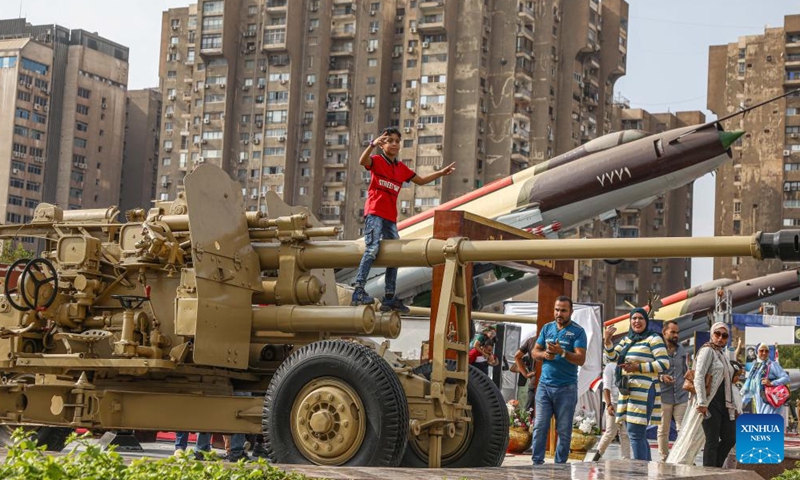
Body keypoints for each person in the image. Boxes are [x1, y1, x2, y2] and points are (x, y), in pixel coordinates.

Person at [350, 127, 456, 312]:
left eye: (397, 141)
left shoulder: (401, 169)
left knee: (396, 255)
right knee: (372, 248)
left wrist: (440, 173)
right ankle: (358, 290)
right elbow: (362, 161)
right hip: (375, 212)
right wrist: (371, 144)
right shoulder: (376, 161)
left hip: (390, 217)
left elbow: (421, 181)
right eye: (389, 140)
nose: (394, 144)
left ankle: (389, 297)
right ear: (382, 144)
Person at [667, 322, 737, 467]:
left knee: (730, 438)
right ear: (712, 334)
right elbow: (699, 376)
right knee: (711, 439)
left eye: (724, 335)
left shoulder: (722, 354)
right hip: (710, 402)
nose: (720, 338)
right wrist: (701, 402)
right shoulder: (707, 351)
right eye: (717, 334)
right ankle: (709, 471)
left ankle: (714, 468)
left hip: (725, 403)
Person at [603, 307, 669, 461]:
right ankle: (645, 469)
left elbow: (664, 363)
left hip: (644, 391)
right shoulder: (628, 339)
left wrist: (638, 367)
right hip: (629, 391)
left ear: (646, 321)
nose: (637, 321)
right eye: (634, 318)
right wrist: (607, 341)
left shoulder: (653, 339)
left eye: (641, 318)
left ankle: (640, 471)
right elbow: (613, 358)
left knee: (635, 432)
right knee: (637, 433)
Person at [530, 296, 587, 465]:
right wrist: (544, 355)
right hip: (544, 386)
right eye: (557, 309)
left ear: (571, 312)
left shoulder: (578, 331)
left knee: (563, 429)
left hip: (566, 388)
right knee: (540, 426)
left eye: (563, 310)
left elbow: (581, 359)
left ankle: (560, 465)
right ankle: (537, 463)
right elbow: (534, 352)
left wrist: (562, 352)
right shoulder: (547, 328)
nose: (559, 313)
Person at [656, 320, 689, 462]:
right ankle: (664, 458)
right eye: (673, 332)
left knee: (683, 430)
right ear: (664, 332)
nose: (676, 335)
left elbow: (684, 369)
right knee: (663, 430)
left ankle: (681, 456)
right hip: (664, 395)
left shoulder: (681, 349)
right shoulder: (657, 350)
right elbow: (650, 370)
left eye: (677, 332)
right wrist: (661, 377)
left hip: (681, 395)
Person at [594, 361, 631, 460]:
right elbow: (606, 387)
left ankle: (626, 459)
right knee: (610, 432)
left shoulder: (628, 364)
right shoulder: (610, 367)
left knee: (625, 433)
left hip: (627, 403)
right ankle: (597, 455)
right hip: (614, 403)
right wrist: (609, 404)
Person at [742, 342, 790, 414]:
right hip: (759, 402)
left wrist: (771, 383)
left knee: (769, 423)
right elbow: (750, 387)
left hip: (771, 403)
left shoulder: (772, 365)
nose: (764, 353)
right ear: (757, 352)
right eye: (761, 351)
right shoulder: (754, 367)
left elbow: (786, 378)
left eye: (766, 351)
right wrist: (743, 403)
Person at [514, 333, 538, 414]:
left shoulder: (531, 341)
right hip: (537, 381)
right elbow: (517, 357)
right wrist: (526, 374)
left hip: (534, 381)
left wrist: (526, 374)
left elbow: (517, 356)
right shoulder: (531, 341)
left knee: (530, 411)